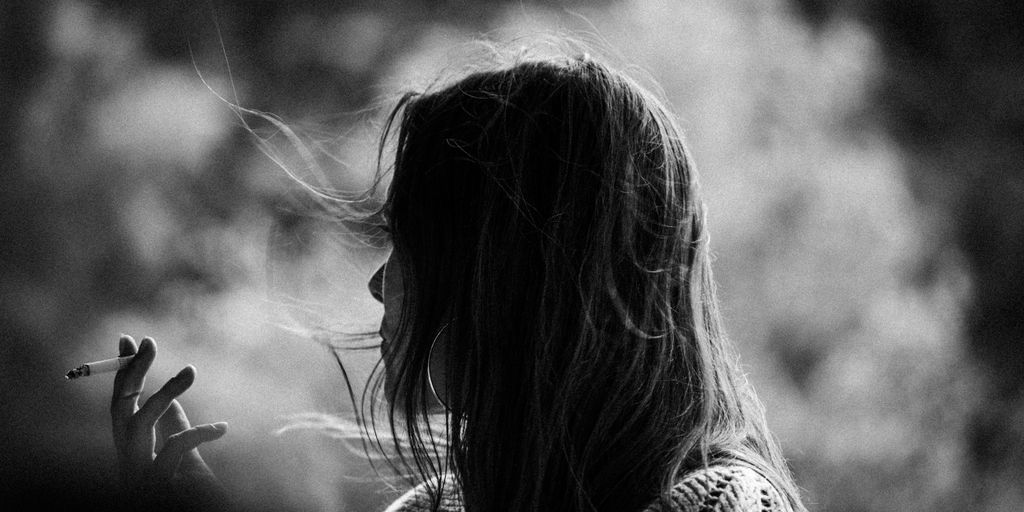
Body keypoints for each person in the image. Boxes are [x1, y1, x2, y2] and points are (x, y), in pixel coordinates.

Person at [110, 52, 806, 512]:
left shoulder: (721, 505)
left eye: (410, 246)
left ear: (504, 279)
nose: (380, 286)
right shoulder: (435, 507)